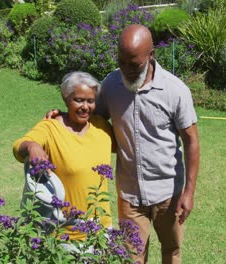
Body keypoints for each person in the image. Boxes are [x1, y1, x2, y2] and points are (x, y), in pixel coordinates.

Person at [47, 24, 200, 264]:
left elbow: (191, 141)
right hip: (129, 195)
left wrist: (189, 192)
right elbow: (89, 116)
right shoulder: (111, 85)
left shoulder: (175, 90)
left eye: (134, 64)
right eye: (121, 62)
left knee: (171, 250)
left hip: (167, 193)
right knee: (132, 257)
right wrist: (64, 115)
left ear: (151, 56)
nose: (126, 69)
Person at [13, 71, 114, 241]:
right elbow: (18, 147)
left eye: (90, 101)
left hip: (101, 231)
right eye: (78, 100)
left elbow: (127, 146)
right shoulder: (50, 127)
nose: (85, 107)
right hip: (65, 234)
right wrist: (32, 146)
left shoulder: (102, 126)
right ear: (66, 99)